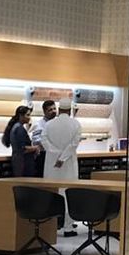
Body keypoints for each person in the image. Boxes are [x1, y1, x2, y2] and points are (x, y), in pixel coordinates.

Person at [41, 99, 83, 236]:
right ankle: (68, 228)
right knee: (69, 194)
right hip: (69, 164)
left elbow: (44, 140)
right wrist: (63, 157)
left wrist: (56, 154)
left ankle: (50, 227)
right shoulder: (76, 124)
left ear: (59, 110)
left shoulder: (49, 124)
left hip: (51, 164)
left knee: (52, 193)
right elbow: (74, 144)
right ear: (70, 110)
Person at [3, 105, 38, 177]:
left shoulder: (16, 127)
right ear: (21, 116)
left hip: (18, 161)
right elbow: (23, 148)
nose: (29, 117)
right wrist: (36, 148)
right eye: (27, 115)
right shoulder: (19, 129)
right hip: (23, 162)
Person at [31, 99, 56, 175]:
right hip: (44, 156)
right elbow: (37, 141)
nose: (53, 111)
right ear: (44, 112)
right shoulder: (39, 124)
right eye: (50, 110)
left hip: (55, 156)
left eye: (54, 108)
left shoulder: (58, 123)